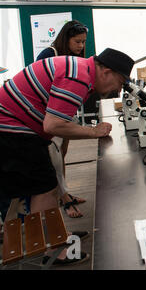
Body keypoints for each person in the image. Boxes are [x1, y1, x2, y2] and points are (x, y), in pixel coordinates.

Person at [0, 47, 135, 265]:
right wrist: (93, 132)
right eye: (119, 83)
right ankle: (54, 251)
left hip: (16, 126)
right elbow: (53, 125)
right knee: (44, 189)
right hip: (11, 130)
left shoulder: (79, 69)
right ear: (107, 72)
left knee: (46, 188)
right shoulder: (79, 77)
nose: (116, 90)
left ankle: (56, 239)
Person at [36, 20, 88, 218]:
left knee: (62, 156)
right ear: (65, 39)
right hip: (48, 113)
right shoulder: (49, 54)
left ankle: (64, 192)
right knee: (53, 158)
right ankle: (63, 198)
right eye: (77, 42)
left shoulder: (75, 56)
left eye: (83, 42)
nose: (81, 46)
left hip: (65, 112)